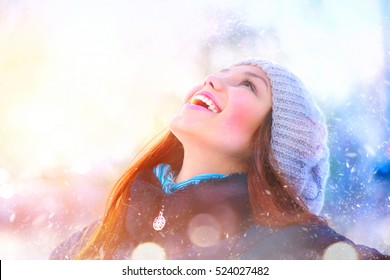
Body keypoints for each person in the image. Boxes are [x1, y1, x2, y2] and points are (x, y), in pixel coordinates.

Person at [50, 59, 389, 260]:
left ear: (271, 144)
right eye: (220, 73)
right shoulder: (98, 239)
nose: (211, 79)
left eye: (247, 85)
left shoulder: (299, 252)